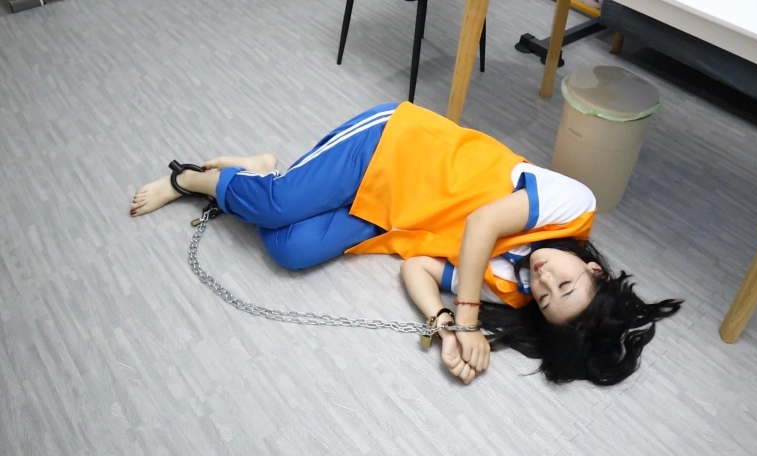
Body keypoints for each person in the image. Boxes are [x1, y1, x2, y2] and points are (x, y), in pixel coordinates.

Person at [130, 101, 682, 386]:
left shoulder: (511, 286)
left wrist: (444, 327)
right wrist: (469, 319)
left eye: (544, 298)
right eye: (564, 283)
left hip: (393, 214)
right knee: (276, 207)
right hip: (394, 144)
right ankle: (192, 179)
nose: (542, 279)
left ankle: (260, 169)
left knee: (288, 251)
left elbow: (417, 265)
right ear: (594, 271)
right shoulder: (576, 205)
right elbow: (483, 223)